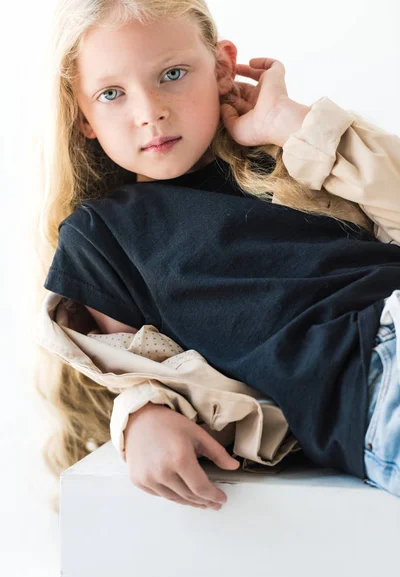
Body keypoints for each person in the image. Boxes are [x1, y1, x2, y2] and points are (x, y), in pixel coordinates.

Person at [36, 0, 400, 513]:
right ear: (84, 117)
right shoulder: (103, 236)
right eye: (112, 93)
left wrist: (289, 123)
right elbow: (136, 367)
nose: (149, 112)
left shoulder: (290, 157)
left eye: (172, 74)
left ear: (223, 68)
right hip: (369, 376)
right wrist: (141, 413)